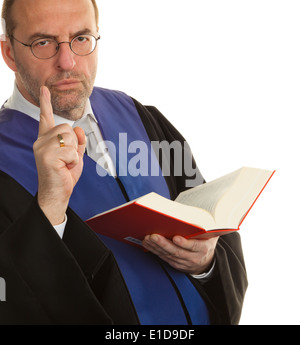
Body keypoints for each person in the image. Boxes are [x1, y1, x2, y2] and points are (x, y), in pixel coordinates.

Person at [0, 0, 247, 325]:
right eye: (43, 42)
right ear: (9, 53)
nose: (67, 61)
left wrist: (206, 262)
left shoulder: (139, 116)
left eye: (82, 38)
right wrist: (48, 209)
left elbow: (209, 225)